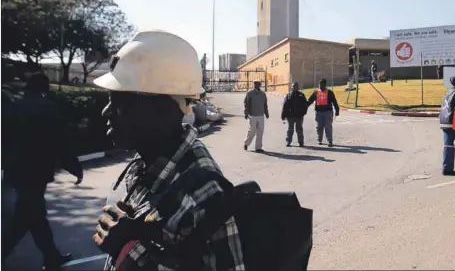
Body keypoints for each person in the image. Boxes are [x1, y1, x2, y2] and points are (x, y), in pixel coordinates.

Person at [91, 30, 245, 271]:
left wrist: (136, 246)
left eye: (119, 102)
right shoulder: (149, 160)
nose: (106, 112)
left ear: (163, 108)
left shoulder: (203, 194)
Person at [2, 72, 83, 271]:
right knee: (27, 218)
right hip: (38, 172)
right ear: (45, 89)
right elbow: (62, 144)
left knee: (32, 215)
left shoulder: (14, 108)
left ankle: (52, 257)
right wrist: (74, 167)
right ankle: (49, 257)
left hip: (16, 171)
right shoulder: (51, 110)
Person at [307, 79, 340, 147]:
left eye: (321, 84)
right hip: (318, 112)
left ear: (325, 85)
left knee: (328, 127)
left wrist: (337, 110)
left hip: (328, 112)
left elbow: (334, 102)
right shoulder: (316, 92)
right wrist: (304, 107)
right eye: (319, 84)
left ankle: (330, 141)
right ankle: (320, 139)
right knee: (319, 127)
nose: (320, 86)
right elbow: (310, 101)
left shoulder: (330, 92)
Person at [243, 80, 269, 153]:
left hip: (261, 115)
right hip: (252, 115)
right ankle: (246, 143)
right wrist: (246, 113)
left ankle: (258, 147)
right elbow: (246, 104)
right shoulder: (250, 93)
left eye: (259, 84)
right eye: (256, 84)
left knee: (260, 131)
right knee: (252, 130)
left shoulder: (262, 94)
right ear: (254, 85)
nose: (257, 85)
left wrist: (266, 113)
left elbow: (265, 104)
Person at [281, 82, 308, 147]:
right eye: (293, 87)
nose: (294, 88)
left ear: (298, 87)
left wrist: (303, 113)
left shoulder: (301, 95)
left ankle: (301, 142)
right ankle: (288, 142)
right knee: (290, 129)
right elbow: (285, 105)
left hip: (299, 116)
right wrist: (283, 114)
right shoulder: (288, 95)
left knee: (299, 129)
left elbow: (305, 105)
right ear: (291, 87)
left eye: (295, 86)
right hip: (290, 116)